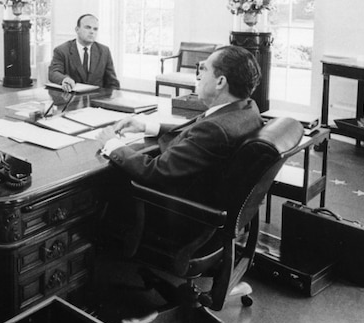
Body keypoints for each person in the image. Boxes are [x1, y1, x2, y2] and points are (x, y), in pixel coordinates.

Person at [97, 45, 263, 205]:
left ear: (220, 82)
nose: (198, 77)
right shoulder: (246, 109)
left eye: (204, 70)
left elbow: (154, 171)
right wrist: (147, 127)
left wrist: (112, 144)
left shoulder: (214, 130)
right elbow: (197, 136)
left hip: (180, 210)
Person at [48, 14, 120, 91]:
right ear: (77, 30)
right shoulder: (62, 50)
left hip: (97, 99)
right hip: (71, 99)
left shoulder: (104, 51)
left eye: (95, 29)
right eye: (87, 27)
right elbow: (53, 73)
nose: (92, 32)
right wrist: (64, 80)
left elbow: (112, 83)